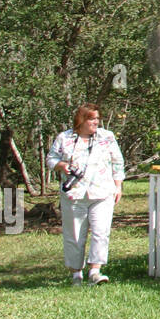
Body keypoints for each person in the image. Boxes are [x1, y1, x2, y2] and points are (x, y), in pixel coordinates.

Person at [47, 103, 124, 285]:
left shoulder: (107, 137)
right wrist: (62, 166)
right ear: (81, 119)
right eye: (91, 119)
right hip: (75, 194)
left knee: (101, 232)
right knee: (74, 235)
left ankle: (95, 272)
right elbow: (51, 158)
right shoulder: (64, 138)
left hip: (102, 192)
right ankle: (76, 274)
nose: (95, 122)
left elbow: (118, 162)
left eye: (97, 118)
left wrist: (118, 185)